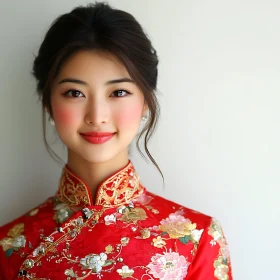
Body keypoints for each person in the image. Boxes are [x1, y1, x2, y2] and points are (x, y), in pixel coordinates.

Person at [0, 2, 233, 279]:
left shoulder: (197, 239)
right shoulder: (9, 247)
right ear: (48, 104)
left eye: (119, 92)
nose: (97, 116)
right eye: (74, 93)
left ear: (145, 101)